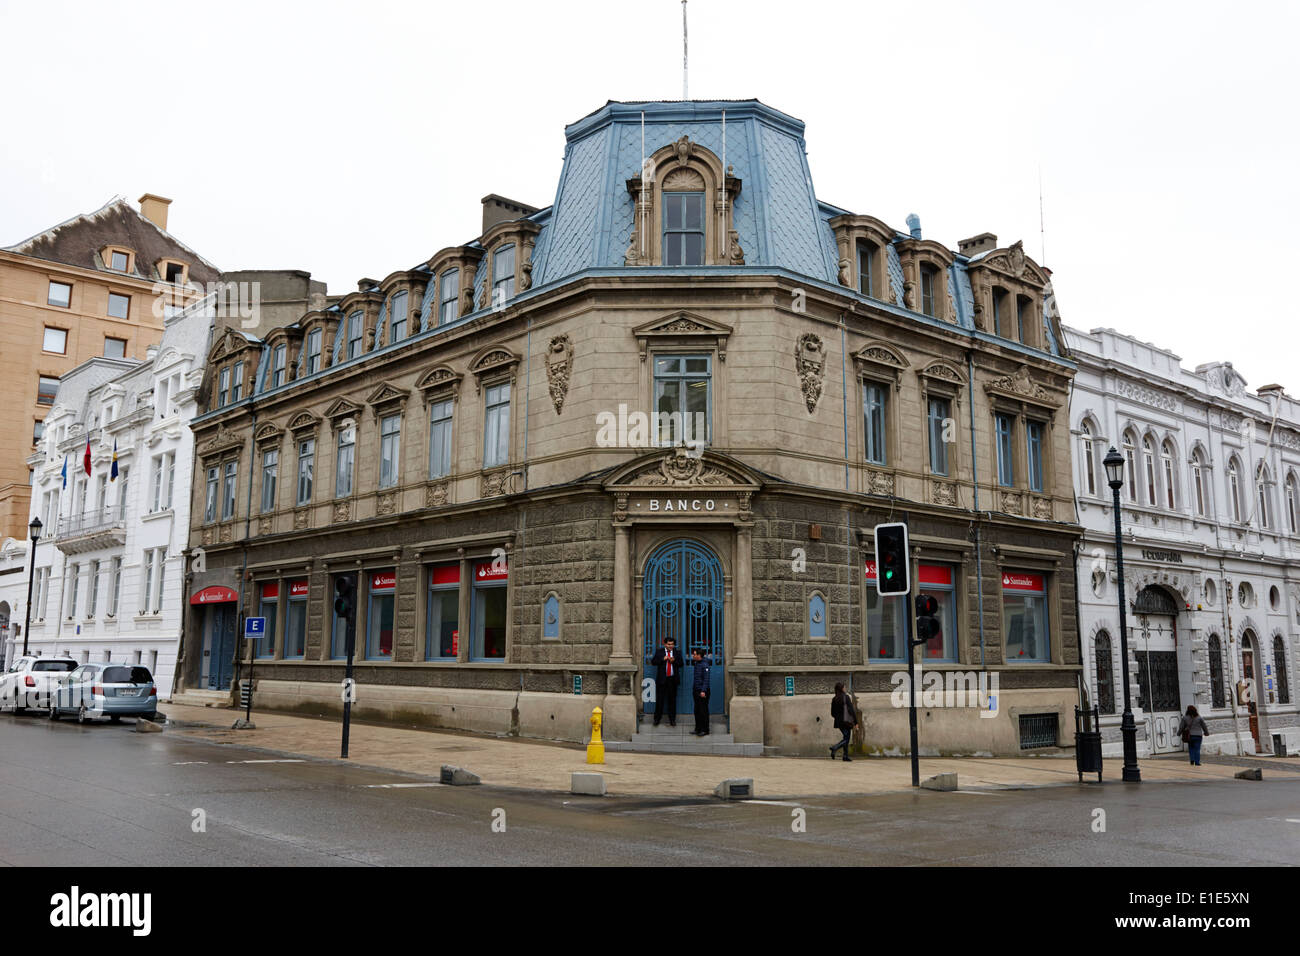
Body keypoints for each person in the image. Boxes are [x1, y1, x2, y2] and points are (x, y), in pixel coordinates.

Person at [649, 637, 683, 726]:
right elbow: (653, 662)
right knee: (660, 700)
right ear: (665, 644)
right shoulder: (659, 652)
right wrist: (662, 659)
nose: (670, 646)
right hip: (662, 680)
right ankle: (657, 719)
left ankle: (672, 720)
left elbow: (681, 663)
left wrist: (674, 661)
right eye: (668, 644)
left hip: (672, 680)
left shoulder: (677, 652)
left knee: (672, 701)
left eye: (672, 644)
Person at [829, 682, 857, 762]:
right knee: (846, 738)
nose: (845, 688)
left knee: (846, 737)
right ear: (842, 688)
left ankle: (845, 756)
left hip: (838, 722)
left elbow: (832, 713)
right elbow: (851, 710)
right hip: (846, 721)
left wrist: (838, 718)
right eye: (844, 687)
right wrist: (856, 722)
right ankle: (835, 747)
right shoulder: (846, 697)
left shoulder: (834, 699)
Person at [691, 648, 711, 736]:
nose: (693, 656)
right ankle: (698, 729)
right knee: (697, 710)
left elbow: (706, 679)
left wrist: (703, 691)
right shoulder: (696, 663)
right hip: (696, 690)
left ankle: (705, 730)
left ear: (699, 655)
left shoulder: (705, 665)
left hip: (702, 691)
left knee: (703, 711)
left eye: (695, 654)